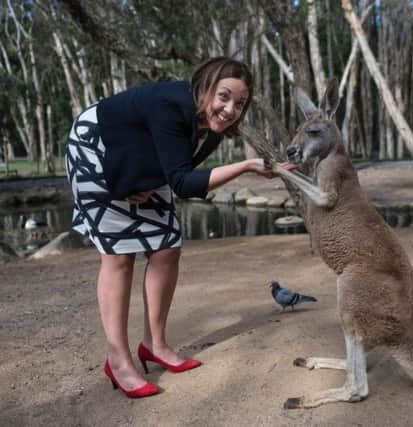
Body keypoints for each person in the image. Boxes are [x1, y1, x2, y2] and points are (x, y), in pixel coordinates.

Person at [65, 57, 295, 398]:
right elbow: (184, 183)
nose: (230, 109)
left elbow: (176, 167)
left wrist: (143, 178)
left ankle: (154, 345)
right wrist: (246, 165)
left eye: (240, 103)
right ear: (203, 87)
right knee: (119, 255)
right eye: (224, 96)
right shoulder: (169, 107)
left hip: (134, 158)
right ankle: (118, 360)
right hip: (96, 150)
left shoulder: (211, 130)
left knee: (166, 247)